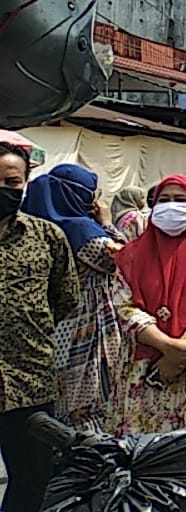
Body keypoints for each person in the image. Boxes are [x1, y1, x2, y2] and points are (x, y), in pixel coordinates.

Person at [111, 175, 186, 459]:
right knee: (137, 455)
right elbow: (123, 306)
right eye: (163, 200)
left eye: (181, 200)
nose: (171, 206)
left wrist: (176, 358)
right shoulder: (130, 256)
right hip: (139, 370)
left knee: (185, 455)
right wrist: (167, 346)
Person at [0, 142, 78, 512]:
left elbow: (65, 299)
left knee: (32, 481)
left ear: (26, 184)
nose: (3, 189)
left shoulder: (48, 237)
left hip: (29, 385)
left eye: (11, 182)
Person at [21, 163, 126, 432]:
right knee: (86, 399)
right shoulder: (83, 232)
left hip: (47, 324)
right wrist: (107, 223)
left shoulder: (32, 226)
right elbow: (126, 261)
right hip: (84, 325)